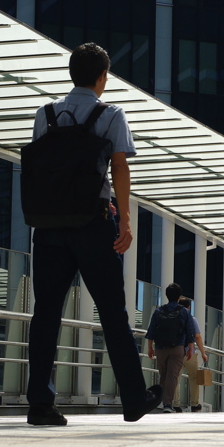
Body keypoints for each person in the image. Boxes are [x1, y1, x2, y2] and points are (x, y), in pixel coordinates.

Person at [25, 43, 161, 426]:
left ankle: (40, 403)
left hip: (49, 227)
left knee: (46, 313)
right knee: (113, 313)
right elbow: (119, 168)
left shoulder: (46, 114)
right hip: (93, 225)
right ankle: (133, 399)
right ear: (103, 77)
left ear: (72, 74)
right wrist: (126, 222)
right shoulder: (110, 114)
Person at [146, 283, 197, 413]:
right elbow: (190, 332)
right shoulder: (184, 311)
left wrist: (150, 348)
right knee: (172, 376)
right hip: (177, 348)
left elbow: (151, 330)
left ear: (167, 296)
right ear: (179, 297)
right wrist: (190, 349)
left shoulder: (159, 311)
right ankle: (168, 404)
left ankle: (163, 401)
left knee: (163, 375)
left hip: (160, 348)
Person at [174, 296, 208, 412]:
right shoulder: (192, 320)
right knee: (194, 379)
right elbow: (197, 337)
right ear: (189, 307)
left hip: (176, 353)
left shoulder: (174, 318)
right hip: (190, 353)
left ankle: (176, 404)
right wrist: (203, 353)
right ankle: (194, 404)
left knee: (176, 379)